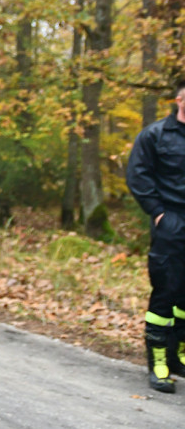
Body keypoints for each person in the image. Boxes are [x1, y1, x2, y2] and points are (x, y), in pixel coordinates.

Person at [126, 78, 185, 394]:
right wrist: (159, 212)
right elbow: (137, 174)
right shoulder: (155, 135)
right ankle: (158, 363)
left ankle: (177, 356)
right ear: (179, 99)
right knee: (166, 290)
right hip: (171, 222)